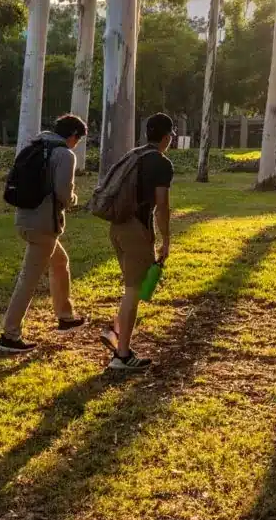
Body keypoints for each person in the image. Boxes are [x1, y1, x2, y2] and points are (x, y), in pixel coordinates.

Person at [0, 114, 88, 353]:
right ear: (72, 136)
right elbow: (63, 193)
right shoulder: (65, 155)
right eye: (78, 140)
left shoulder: (35, 146)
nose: (76, 145)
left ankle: (65, 316)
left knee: (60, 262)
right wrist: (74, 199)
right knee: (28, 279)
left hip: (24, 219)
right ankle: (10, 334)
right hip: (43, 225)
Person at [100, 112, 175, 372]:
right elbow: (162, 206)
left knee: (131, 286)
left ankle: (116, 331)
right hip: (136, 230)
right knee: (134, 291)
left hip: (117, 227)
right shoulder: (161, 164)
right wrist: (165, 239)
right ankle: (122, 355)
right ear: (166, 138)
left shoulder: (134, 155)